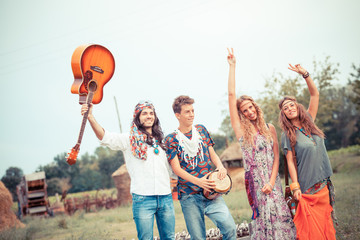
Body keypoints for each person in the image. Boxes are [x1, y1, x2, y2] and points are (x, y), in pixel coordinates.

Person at [226, 48, 296, 240]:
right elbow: (232, 96)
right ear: (241, 114)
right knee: (264, 222)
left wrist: (272, 182)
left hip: (273, 183)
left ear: (255, 106)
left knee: (281, 219)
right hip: (256, 184)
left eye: (250, 107)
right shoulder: (241, 132)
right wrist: (232, 66)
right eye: (244, 110)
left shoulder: (269, 128)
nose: (249, 111)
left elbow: (276, 160)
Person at [81, 101, 175, 240]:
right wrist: (90, 117)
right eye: (144, 113)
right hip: (143, 198)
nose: (149, 116)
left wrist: (173, 184)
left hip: (165, 197)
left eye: (151, 113)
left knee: (169, 237)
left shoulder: (162, 141)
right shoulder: (129, 139)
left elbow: (170, 168)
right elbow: (105, 137)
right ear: (137, 117)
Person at [164, 95, 237, 240]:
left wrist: (220, 166)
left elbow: (212, 154)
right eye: (187, 112)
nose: (191, 114)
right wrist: (199, 182)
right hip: (189, 196)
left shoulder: (201, 130)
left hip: (211, 191)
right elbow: (177, 169)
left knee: (230, 228)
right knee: (198, 238)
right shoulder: (171, 139)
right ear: (177, 115)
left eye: (192, 110)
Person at [279, 63, 337, 239]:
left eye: (291, 105)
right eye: (285, 108)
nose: (290, 108)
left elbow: (315, 94)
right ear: (284, 114)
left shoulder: (310, 121)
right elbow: (290, 161)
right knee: (312, 229)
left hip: (323, 184)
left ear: (297, 105)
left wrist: (305, 74)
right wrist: (295, 187)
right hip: (307, 187)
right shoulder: (287, 134)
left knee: (325, 223)